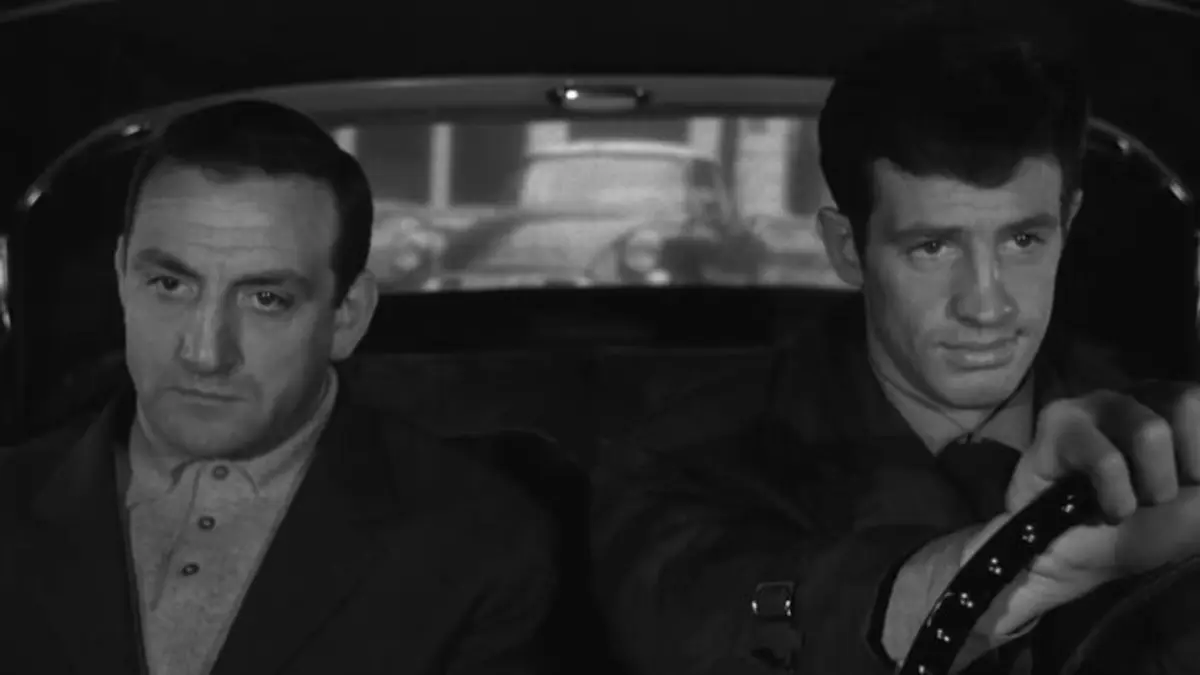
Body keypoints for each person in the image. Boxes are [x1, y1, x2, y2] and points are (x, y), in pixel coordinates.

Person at [591, 18, 1200, 675]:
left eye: (1024, 240)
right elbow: (712, 625)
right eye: (932, 247)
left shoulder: (1164, 438)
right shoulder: (685, 458)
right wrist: (1006, 568)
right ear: (848, 248)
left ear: (1068, 222)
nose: (987, 305)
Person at [0, 100, 560, 675]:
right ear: (123, 275)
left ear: (348, 317)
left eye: (266, 299)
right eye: (169, 284)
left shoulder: (479, 541)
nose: (204, 354)